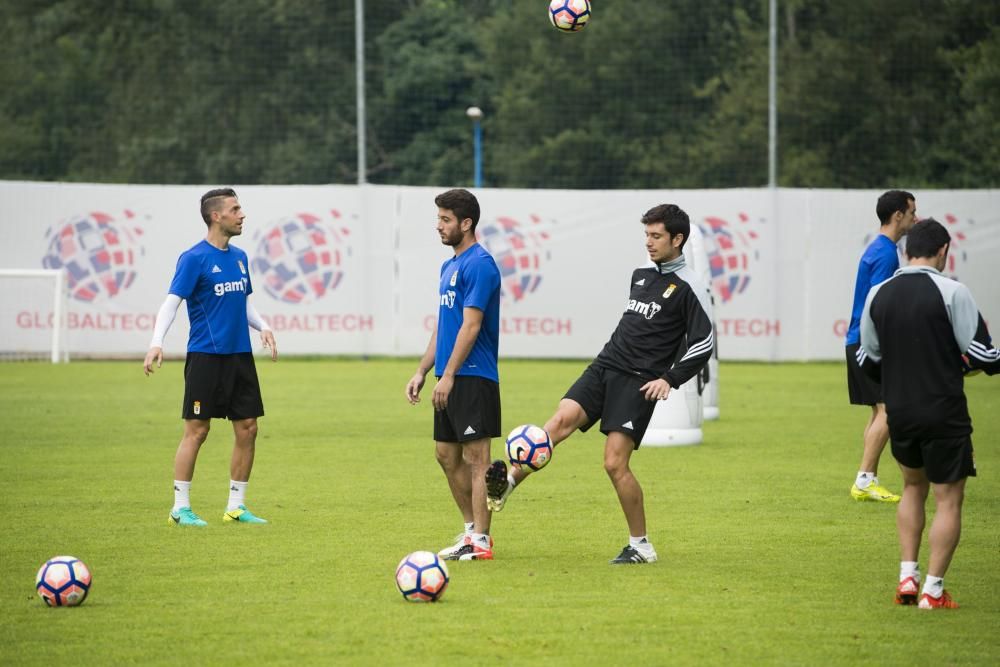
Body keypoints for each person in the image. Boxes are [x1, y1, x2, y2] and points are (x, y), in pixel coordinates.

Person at [485, 203, 714, 564]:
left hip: (639, 381)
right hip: (605, 365)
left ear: (678, 238)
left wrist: (669, 379)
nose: (649, 243)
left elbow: (704, 342)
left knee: (614, 464)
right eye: (647, 235)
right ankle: (507, 484)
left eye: (656, 236)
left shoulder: (690, 286)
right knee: (556, 425)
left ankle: (641, 545)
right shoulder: (641, 274)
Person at [858, 218, 999, 609]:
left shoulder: (879, 294)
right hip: (944, 410)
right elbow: (982, 353)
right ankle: (933, 592)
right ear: (943, 251)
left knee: (912, 489)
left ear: (905, 251)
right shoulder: (953, 291)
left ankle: (907, 576)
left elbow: (868, 355)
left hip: (900, 412)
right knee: (949, 499)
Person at [143, 188, 278, 527]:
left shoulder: (240, 257)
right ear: (217, 216)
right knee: (197, 431)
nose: (242, 214)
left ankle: (235, 506)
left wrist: (263, 325)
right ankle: (180, 507)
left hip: (240, 357)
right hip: (206, 357)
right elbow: (171, 302)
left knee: (248, 428)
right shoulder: (193, 259)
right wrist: (156, 342)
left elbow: (243, 300)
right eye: (235, 209)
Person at [405, 188, 502, 561]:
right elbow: (445, 326)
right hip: (449, 375)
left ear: (467, 223)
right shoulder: (450, 266)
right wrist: (423, 370)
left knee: (478, 458)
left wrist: (449, 376)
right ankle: (469, 532)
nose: (439, 226)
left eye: (446, 220)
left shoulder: (480, 264)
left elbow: (471, 327)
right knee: (446, 455)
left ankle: (482, 540)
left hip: (473, 376)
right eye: (438, 218)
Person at [844, 190, 917, 502]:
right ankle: (864, 479)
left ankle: (867, 478)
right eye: (912, 212)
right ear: (897, 215)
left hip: (859, 340)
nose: (916, 218)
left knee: (880, 411)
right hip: (868, 342)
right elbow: (881, 304)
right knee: (890, 409)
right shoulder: (886, 253)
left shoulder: (880, 248)